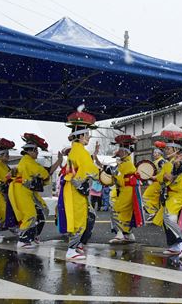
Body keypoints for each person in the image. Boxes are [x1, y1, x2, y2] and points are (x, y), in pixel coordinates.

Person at [57, 109, 100, 260]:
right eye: (87, 135)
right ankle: (72, 249)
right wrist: (104, 174)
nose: (88, 138)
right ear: (80, 136)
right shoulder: (80, 151)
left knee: (85, 216)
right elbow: (91, 170)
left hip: (72, 187)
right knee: (79, 218)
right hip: (75, 188)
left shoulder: (76, 150)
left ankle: (77, 245)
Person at [9, 133, 62, 249]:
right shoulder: (28, 162)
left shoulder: (28, 162)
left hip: (28, 192)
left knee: (42, 211)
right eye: (36, 150)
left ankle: (33, 236)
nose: (37, 153)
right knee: (30, 215)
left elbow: (45, 173)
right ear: (31, 151)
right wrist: (59, 161)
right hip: (22, 191)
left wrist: (58, 161)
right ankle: (23, 240)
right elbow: (46, 173)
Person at [152, 129, 182, 258]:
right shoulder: (169, 163)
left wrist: (165, 175)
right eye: (167, 149)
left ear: (176, 150)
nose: (166, 151)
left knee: (169, 218)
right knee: (165, 219)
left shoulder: (177, 162)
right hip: (170, 195)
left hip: (177, 195)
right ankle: (174, 246)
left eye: (169, 149)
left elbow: (171, 176)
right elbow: (163, 177)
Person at [108, 135, 144, 244]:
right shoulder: (125, 163)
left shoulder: (126, 164)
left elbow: (118, 177)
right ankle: (128, 234)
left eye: (122, 151)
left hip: (127, 189)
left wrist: (112, 172)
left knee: (117, 209)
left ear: (127, 152)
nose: (120, 153)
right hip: (127, 190)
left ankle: (120, 234)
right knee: (126, 213)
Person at [0, 138, 18, 243]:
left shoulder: (3, 165)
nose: (8, 156)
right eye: (6, 154)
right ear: (0, 156)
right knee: (2, 213)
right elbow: (3, 180)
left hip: (4, 191)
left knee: (9, 211)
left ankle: (12, 228)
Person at [142, 141, 168, 221]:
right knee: (155, 199)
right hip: (156, 183)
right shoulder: (157, 161)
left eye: (155, 153)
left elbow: (165, 172)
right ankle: (155, 213)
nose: (154, 154)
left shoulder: (161, 161)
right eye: (154, 153)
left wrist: (155, 177)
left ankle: (152, 211)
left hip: (157, 183)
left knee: (145, 197)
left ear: (159, 153)